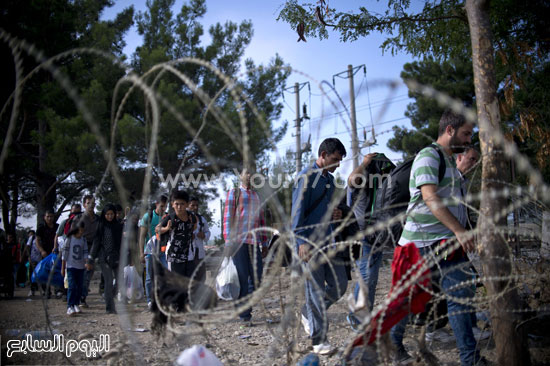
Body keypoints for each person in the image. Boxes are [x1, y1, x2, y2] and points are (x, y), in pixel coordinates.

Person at [389, 110, 486, 366]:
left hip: (445, 245)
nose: (468, 140)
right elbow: (430, 197)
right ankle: (393, 344)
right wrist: (459, 230)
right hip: (417, 245)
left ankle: (470, 358)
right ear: (450, 130)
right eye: (465, 134)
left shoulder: (451, 166)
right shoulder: (428, 156)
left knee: (460, 298)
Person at [291, 138, 348, 354]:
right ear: (323, 155)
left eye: (340, 160)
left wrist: (337, 213)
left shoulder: (330, 181)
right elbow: (296, 213)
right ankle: (318, 339)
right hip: (310, 243)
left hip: (329, 241)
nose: (338, 164)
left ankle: (308, 312)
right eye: (335, 159)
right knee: (315, 290)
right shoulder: (305, 178)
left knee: (340, 285)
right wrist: (301, 242)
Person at [346, 152, 395, 330]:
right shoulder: (360, 181)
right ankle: (360, 319)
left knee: (368, 277)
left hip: (376, 235)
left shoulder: (380, 186)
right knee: (368, 277)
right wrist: (365, 163)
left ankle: (360, 317)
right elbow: (351, 180)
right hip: (362, 234)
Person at [222, 166, 268, 323]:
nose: (249, 175)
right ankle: (244, 314)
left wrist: (265, 242)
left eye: (252, 173)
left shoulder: (257, 196)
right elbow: (227, 218)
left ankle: (242, 305)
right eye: (246, 172)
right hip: (238, 243)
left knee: (257, 279)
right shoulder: (234, 194)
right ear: (240, 175)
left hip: (254, 243)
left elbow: (261, 220)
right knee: (242, 278)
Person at [86, 204, 123, 314]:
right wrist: (91, 258)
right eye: (107, 214)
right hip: (103, 258)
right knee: (108, 282)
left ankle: (110, 297)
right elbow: (96, 242)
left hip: (116, 257)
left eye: (112, 214)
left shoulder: (118, 226)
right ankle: (110, 308)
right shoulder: (101, 226)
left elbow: (121, 243)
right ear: (104, 215)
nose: (110, 216)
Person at [157, 190, 198, 278]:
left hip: (189, 257)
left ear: (187, 204)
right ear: (172, 204)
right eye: (177, 204)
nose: (179, 207)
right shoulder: (170, 218)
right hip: (174, 258)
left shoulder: (192, 217)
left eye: (182, 204)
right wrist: (167, 228)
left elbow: (194, 227)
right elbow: (157, 229)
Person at [139, 195, 168, 309]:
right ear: (156, 204)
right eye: (161, 206)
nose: (163, 209)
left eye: (165, 207)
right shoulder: (148, 217)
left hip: (163, 250)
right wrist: (141, 253)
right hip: (150, 250)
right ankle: (150, 300)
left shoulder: (166, 217)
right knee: (150, 277)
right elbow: (141, 236)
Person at [53, 203, 82, 299]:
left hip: (77, 252)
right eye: (74, 211)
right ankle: (64, 292)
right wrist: (55, 247)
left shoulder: (81, 224)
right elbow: (57, 235)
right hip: (65, 250)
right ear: (70, 211)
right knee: (65, 272)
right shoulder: (65, 222)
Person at [61, 217, 88, 316]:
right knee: (72, 287)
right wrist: (63, 268)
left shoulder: (83, 240)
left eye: (82, 231)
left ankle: (76, 304)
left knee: (79, 287)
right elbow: (64, 254)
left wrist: (86, 261)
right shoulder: (69, 239)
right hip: (71, 267)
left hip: (81, 267)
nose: (80, 234)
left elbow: (85, 252)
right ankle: (70, 306)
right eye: (79, 231)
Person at [80, 195, 99, 307]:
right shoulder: (79, 219)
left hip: (93, 248)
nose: (91, 205)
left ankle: (82, 297)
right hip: (82, 248)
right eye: (88, 203)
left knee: (88, 273)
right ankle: (79, 297)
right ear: (84, 205)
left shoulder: (98, 219)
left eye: (92, 203)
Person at [35, 209, 59, 297]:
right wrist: (41, 251)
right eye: (47, 216)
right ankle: (46, 291)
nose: (49, 218)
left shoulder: (58, 227)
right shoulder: (41, 228)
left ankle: (58, 290)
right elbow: (37, 241)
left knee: (57, 271)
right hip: (45, 253)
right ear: (44, 217)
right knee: (44, 272)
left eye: (51, 216)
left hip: (56, 252)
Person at [188, 196, 211, 283]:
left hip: (199, 253)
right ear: (187, 205)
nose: (195, 208)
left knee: (201, 277)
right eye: (192, 205)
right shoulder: (182, 219)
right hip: (188, 253)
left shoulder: (202, 219)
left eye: (197, 205)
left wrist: (204, 235)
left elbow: (208, 232)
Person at [25, 230, 41, 296]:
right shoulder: (32, 238)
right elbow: (27, 247)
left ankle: (43, 289)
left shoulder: (44, 238)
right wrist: (28, 256)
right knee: (33, 275)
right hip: (33, 259)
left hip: (41, 259)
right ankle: (32, 289)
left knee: (41, 274)